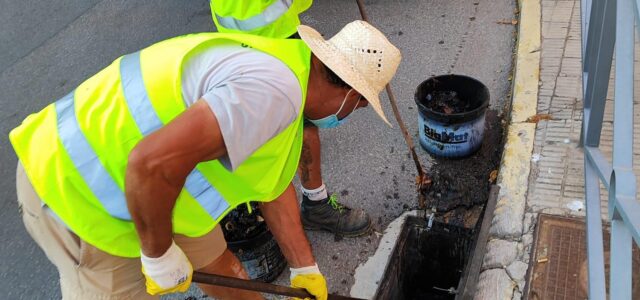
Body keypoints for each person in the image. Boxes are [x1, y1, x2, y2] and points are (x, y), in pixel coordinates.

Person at [9, 20, 401, 299]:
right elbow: (150, 164)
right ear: (350, 95)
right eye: (359, 107)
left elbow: (273, 184)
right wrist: (159, 256)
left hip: (163, 192)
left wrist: (304, 267)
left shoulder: (291, 73)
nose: (347, 117)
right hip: (79, 187)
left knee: (228, 275)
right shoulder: (274, 93)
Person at [210, 0, 373, 237]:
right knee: (285, 129)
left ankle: (309, 203)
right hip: (264, 40)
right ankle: (290, 208)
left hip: (262, 32)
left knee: (298, 122)